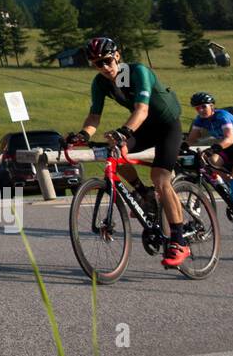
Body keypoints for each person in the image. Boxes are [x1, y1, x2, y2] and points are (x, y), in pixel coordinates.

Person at [66, 36, 191, 268]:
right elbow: (94, 116)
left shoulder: (136, 72)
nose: (103, 67)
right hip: (143, 127)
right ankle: (144, 195)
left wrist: (124, 131)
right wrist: (83, 134)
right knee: (115, 152)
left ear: (117, 56)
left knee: (161, 179)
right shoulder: (101, 82)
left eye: (106, 61)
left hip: (166, 125)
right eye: (96, 64)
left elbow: (141, 109)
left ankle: (179, 240)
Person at [186, 92, 233, 227]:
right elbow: (191, 139)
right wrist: (181, 147)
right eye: (197, 108)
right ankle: (226, 181)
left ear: (212, 106)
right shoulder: (199, 120)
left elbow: (229, 138)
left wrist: (214, 148)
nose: (200, 110)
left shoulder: (222, 116)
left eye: (203, 107)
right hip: (229, 143)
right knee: (212, 161)